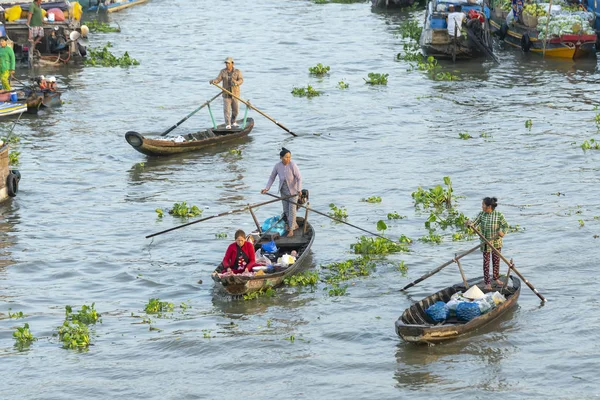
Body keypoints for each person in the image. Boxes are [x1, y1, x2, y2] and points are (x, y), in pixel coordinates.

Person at [467, 197, 509, 290]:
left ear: (489, 206)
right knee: (486, 263)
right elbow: (473, 223)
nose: (482, 206)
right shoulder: (481, 215)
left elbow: (506, 226)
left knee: (496, 260)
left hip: (496, 242)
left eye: (483, 204)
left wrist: (502, 232)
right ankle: (487, 283)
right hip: (485, 242)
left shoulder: (498, 215)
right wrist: (469, 224)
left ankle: (496, 278)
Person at [261, 147, 302, 237]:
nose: (288, 159)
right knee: (286, 210)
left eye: (289, 157)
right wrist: (267, 188)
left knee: (292, 210)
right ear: (281, 157)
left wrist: (299, 190)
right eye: (286, 157)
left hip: (293, 192)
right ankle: (294, 224)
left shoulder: (293, 165)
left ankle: (291, 230)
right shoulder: (277, 166)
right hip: (283, 191)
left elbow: (299, 178)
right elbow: (272, 177)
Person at [209, 57, 244, 129]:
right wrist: (214, 81)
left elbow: (241, 80)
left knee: (235, 110)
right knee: (226, 110)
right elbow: (218, 79)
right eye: (226, 63)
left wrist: (236, 83)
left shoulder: (237, 71)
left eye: (228, 63)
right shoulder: (223, 71)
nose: (227, 65)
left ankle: (233, 121)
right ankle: (228, 124)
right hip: (226, 94)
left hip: (235, 94)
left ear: (232, 63)